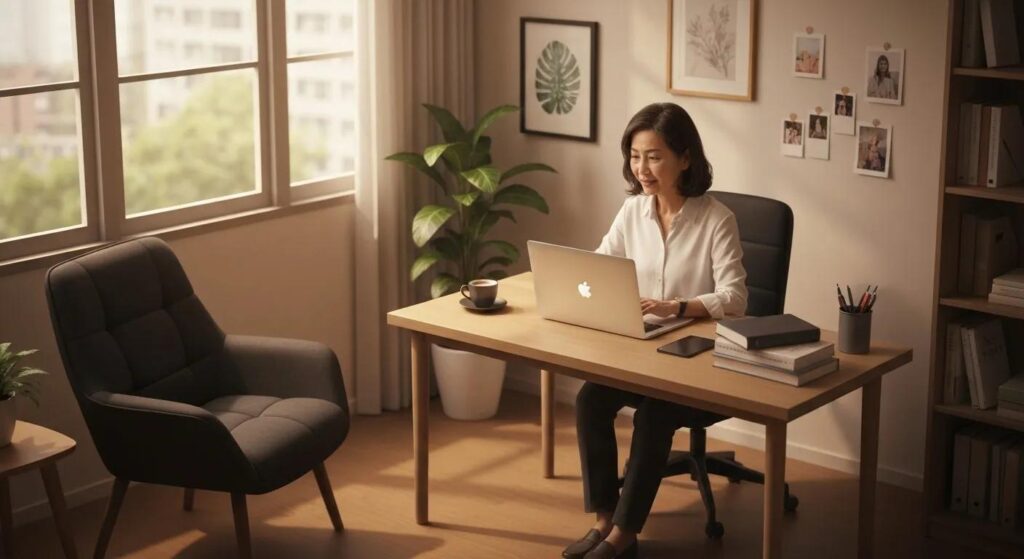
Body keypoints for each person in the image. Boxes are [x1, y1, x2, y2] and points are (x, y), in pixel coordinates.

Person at [561, 102, 748, 559]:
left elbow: (736, 299)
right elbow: (600, 264)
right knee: (590, 400)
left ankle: (624, 536)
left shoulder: (716, 219)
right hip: (642, 347)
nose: (642, 168)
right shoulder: (632, 212)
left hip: (697, 356)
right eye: (635, 155)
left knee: (655, 415)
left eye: (654, 156)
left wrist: (678, 305)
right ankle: (604, 520)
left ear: (685, 158)